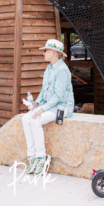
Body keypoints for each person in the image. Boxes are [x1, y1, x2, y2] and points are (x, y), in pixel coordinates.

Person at [21, 39, 74, 175]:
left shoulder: (62, 70)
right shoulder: (49, 68)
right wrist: (35, 104)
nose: (43, 53)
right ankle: (32, 156)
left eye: (45, 51)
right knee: (25, 119)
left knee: (35, 120)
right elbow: (44, 91)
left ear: (54, 52)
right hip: (49, 105)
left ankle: (41, 157)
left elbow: (59, 96)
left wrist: (42, 109)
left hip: (61, 107)